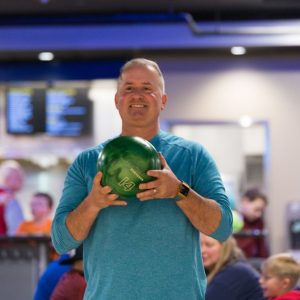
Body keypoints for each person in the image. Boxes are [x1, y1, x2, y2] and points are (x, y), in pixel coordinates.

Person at [51, 58, 233, 299]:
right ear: (117, 100)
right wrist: (93, 203)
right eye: (128, 89)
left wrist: (178, 190)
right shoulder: (88, 161)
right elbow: (61, 242)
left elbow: (222, 228)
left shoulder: (192, 155)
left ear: (163, 100)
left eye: (147, 88)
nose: (137, 95)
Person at [201, 234, 265, 300]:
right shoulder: (208, 271)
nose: (202, 250)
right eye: (199, 245)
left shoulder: (236, 272)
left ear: (224, 247)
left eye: (209, 245)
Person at [235, 188, 269, 258]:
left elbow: (262, 249)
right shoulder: (233, 221)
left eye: (261, 211)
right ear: (245, 201)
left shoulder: (259, 222)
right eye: (256, 209)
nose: (259, 214)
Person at [0, 160, 25, 235]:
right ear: (6, 178)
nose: (22, 180)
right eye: (17, 177)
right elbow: (15, 228)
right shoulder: (8, 197)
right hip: (5, 243)